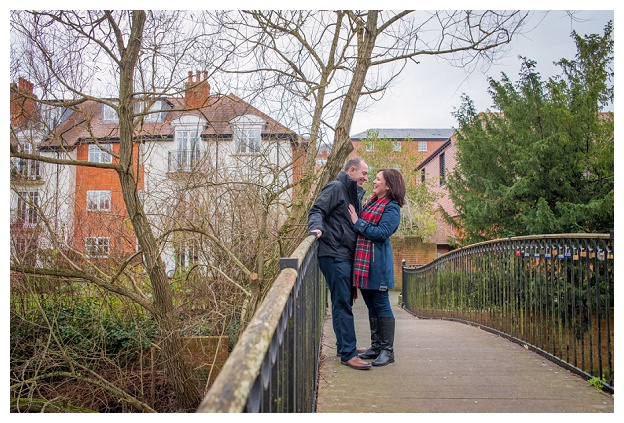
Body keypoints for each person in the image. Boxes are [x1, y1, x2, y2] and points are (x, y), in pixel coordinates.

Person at [308, 157, 371, 370]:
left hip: (342, 253)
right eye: (363, 173)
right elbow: (317, 210)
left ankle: (344, 346)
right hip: (333, 254)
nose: (366, 178)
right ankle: (348, 353)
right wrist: (315, 228)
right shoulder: (336, 187)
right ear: (351, 170)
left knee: (341, 301)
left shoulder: (351, 193)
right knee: (343, 302)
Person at [348, 168, 406, 366]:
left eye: (378, 179)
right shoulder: (372, 202)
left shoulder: (391, 208)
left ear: (388, 185)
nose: (374, 181)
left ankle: (388, 351)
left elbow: (381, 233)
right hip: (364, 265)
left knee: (381, 305)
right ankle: (376, 346)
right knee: (371, 306)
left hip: (377, 265)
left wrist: (358, 222)